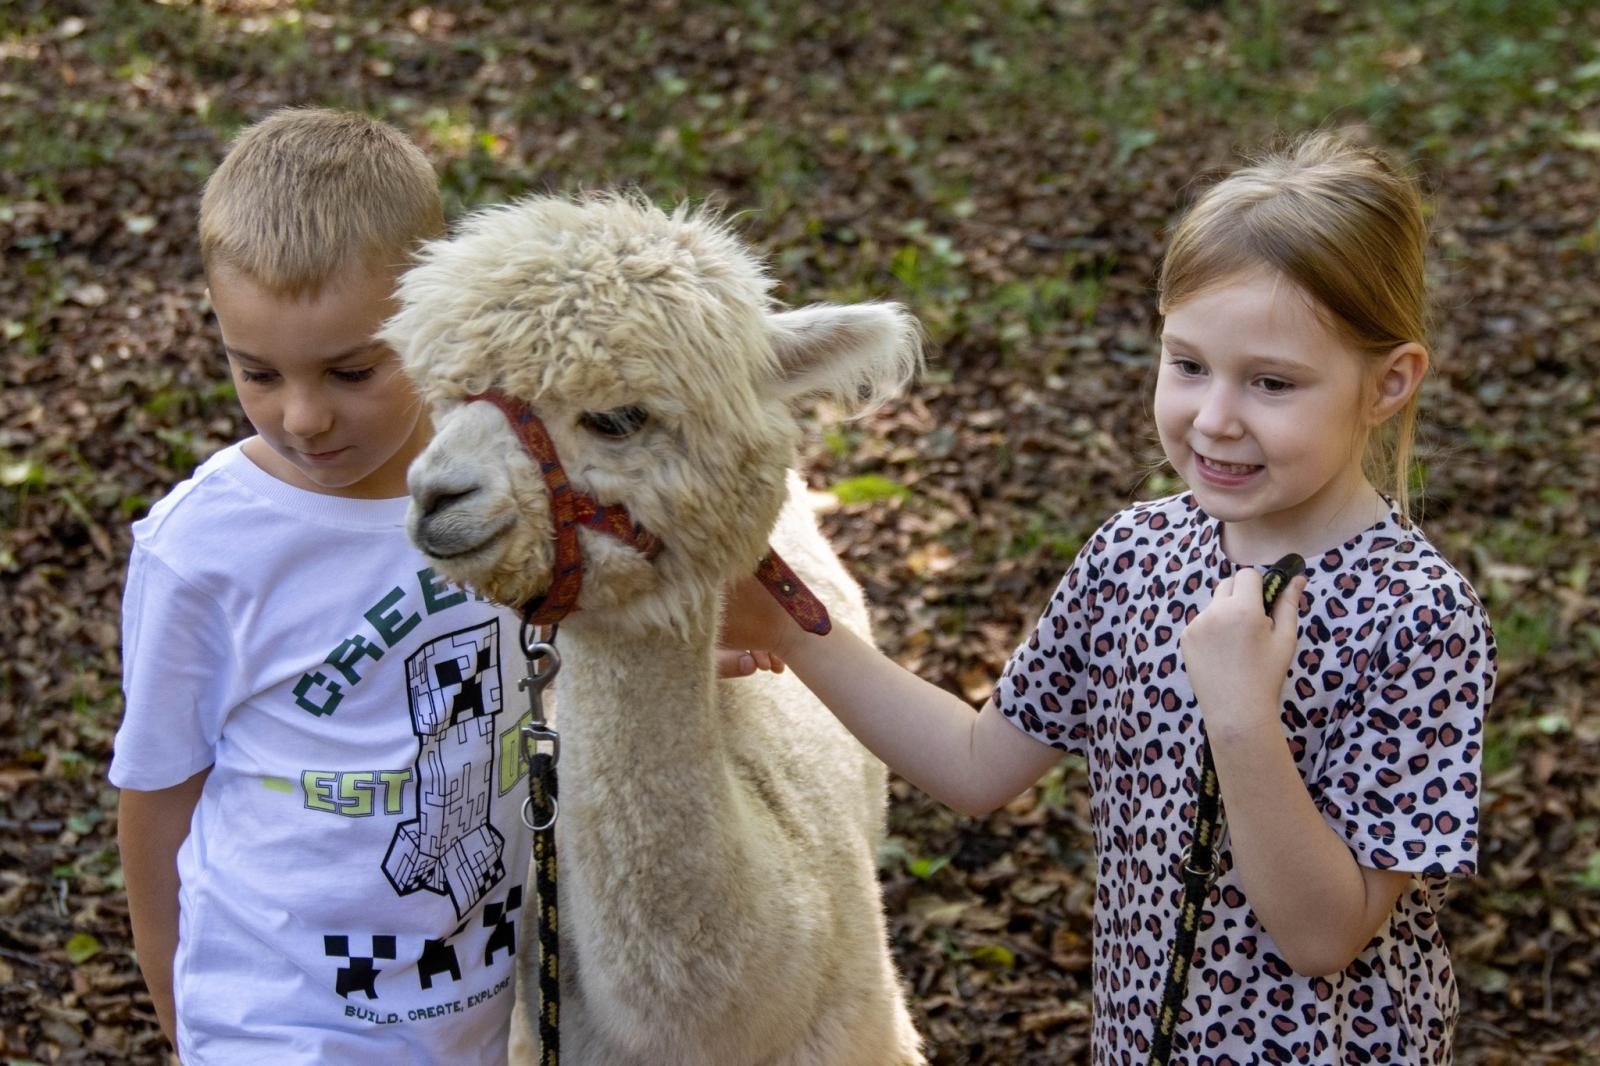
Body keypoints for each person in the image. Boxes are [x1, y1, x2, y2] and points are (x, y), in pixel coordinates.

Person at [722, 132, 1495, 1063]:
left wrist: (1244, 718)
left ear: (1390, 383)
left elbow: (1324, 936)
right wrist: (801, 630)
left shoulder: (1419, 617)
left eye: (1272, 383)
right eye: (1188, 364)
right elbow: (975, 765)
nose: (1214, 417)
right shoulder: (1136, 553)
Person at [112, 107, 777, 1064]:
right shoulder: (207, 547)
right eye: (254, 371)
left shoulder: (505, 500)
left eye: (351, 371)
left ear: (426, 321)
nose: (302, 416)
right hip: (279, 1018)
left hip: (467, 1009)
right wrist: (179, 1003)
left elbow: (531, 646)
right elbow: (159, 789)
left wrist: (654, 650)